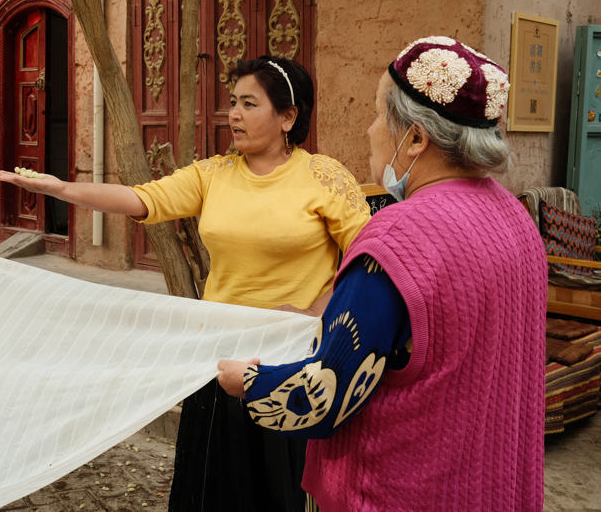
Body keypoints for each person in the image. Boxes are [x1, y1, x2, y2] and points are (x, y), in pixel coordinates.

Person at [0, 56, 371, 512]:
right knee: (211, 484)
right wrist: (63, 189)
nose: (233, 114)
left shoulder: (326, 178)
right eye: (233, 102)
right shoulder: (214, 174)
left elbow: (366, 257)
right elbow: (142, 198)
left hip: (288, 360)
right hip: (215, 353)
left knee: (276, 487)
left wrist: (314, 312)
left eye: (249, 104)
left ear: (288, 116)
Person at [218, 37, 547, 510]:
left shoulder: (398, 238)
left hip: (398, 492)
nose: (371, 129)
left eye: (377, 114)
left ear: (415, 138)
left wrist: (248, 382)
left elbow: (324, 396)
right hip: (490, 486)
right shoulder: (514, 219)